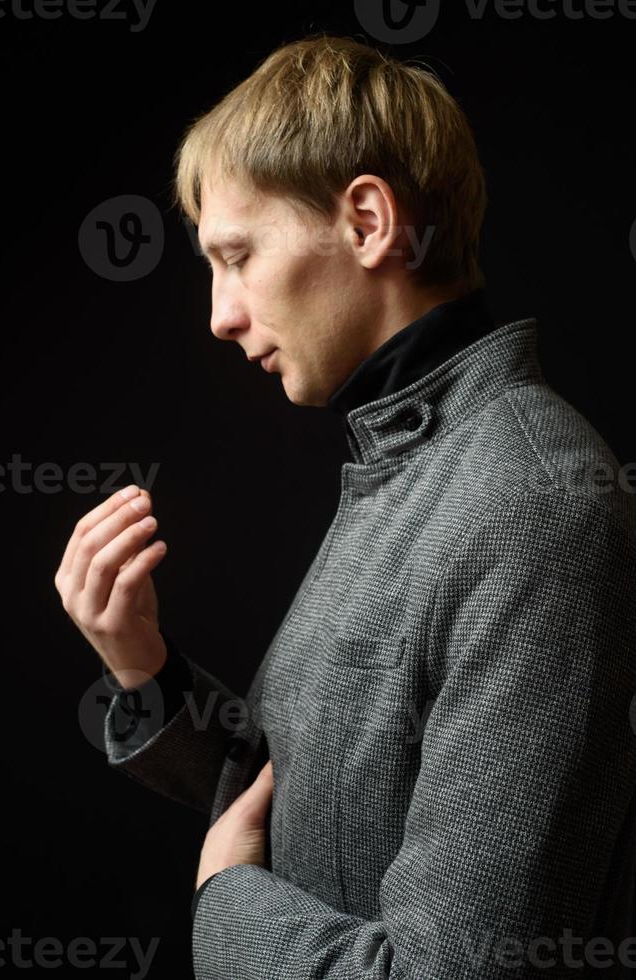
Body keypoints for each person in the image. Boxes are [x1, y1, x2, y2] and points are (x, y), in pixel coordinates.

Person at [55, 33, 636, 979]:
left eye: (237, 255)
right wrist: (147, 671)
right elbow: (335, 817)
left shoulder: (534, 505)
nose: (220, 313)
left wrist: (225, 903)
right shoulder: (415, 464)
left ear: (368, 222)